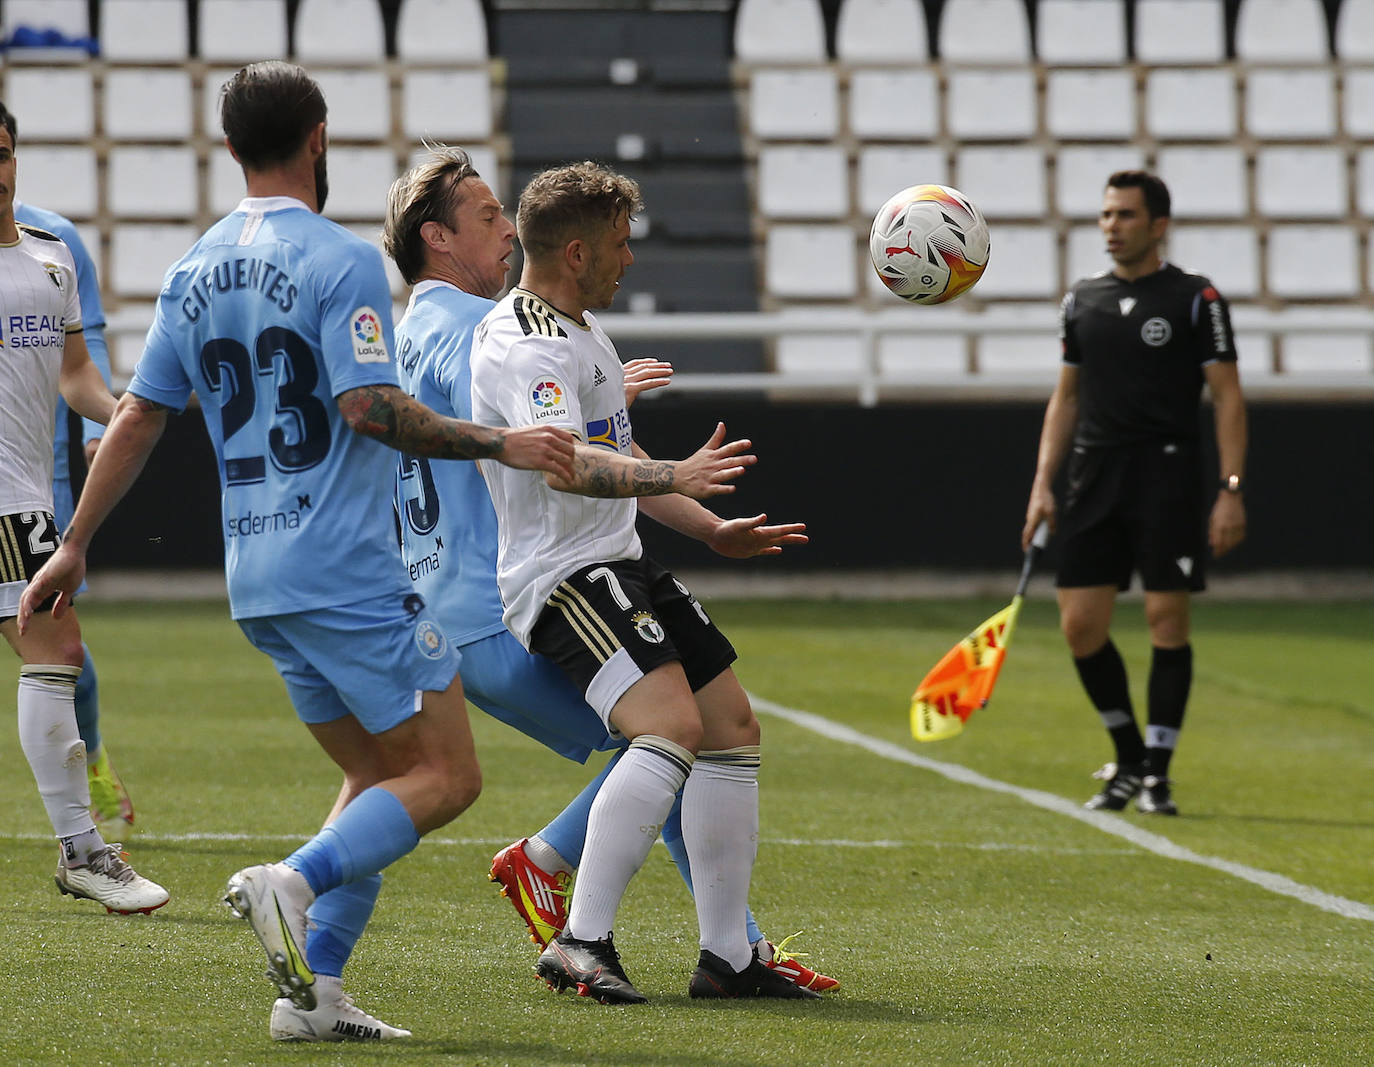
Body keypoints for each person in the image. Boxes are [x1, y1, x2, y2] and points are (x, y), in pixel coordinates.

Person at [18, 62, 575, 1042]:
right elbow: (367, 406)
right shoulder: (342, 258)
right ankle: (292, 879)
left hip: (259, 578)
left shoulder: (194, 267)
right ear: (319, 137)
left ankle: (312, 992)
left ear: (230, 147)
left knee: (374, 774)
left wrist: (74, 545)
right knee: (449, 775)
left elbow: (140, 416)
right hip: (348, 567)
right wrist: (500, 439)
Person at [379, 147, 836, 992]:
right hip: (553, 578)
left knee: (727, 723)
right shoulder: (504, 337)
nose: (631, 259)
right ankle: (579, 934)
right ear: (578, 252)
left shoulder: (576, 330)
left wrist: (709, 527)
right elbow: (565, 459)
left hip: (602, 562)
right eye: (621, 244)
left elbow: (609, 452)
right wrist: (662, 468)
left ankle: (729, 954)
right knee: (666, 731)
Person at [1022, 170, 1247, 817]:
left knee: (1165, 621)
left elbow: (1229, 397)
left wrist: (1231, 489)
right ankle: (1128, 755)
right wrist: (1043, 483)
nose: (1111, 226)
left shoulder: (1196, 298)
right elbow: (1065, 397)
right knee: (1079, 625)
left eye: (1124, 215)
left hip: (1168, 475)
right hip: (1094, 475)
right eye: (1106, 215)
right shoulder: (1082, 301)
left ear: (1158, 224)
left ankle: (1159, 773)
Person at [0, 100, 167, 914]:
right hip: (5, 500)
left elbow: (75, 376)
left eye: (2, 151)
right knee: (56, 650)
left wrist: (122, 413)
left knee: (55, 651)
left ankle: (82, 848)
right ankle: (83, 849)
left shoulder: (51, 259)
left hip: (27, 495)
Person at [13, 197, 135, 838]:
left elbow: (82, 355)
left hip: (34, 487)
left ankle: (87, 764)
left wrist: (109, 422)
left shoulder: (53, 243)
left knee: (62, 648)